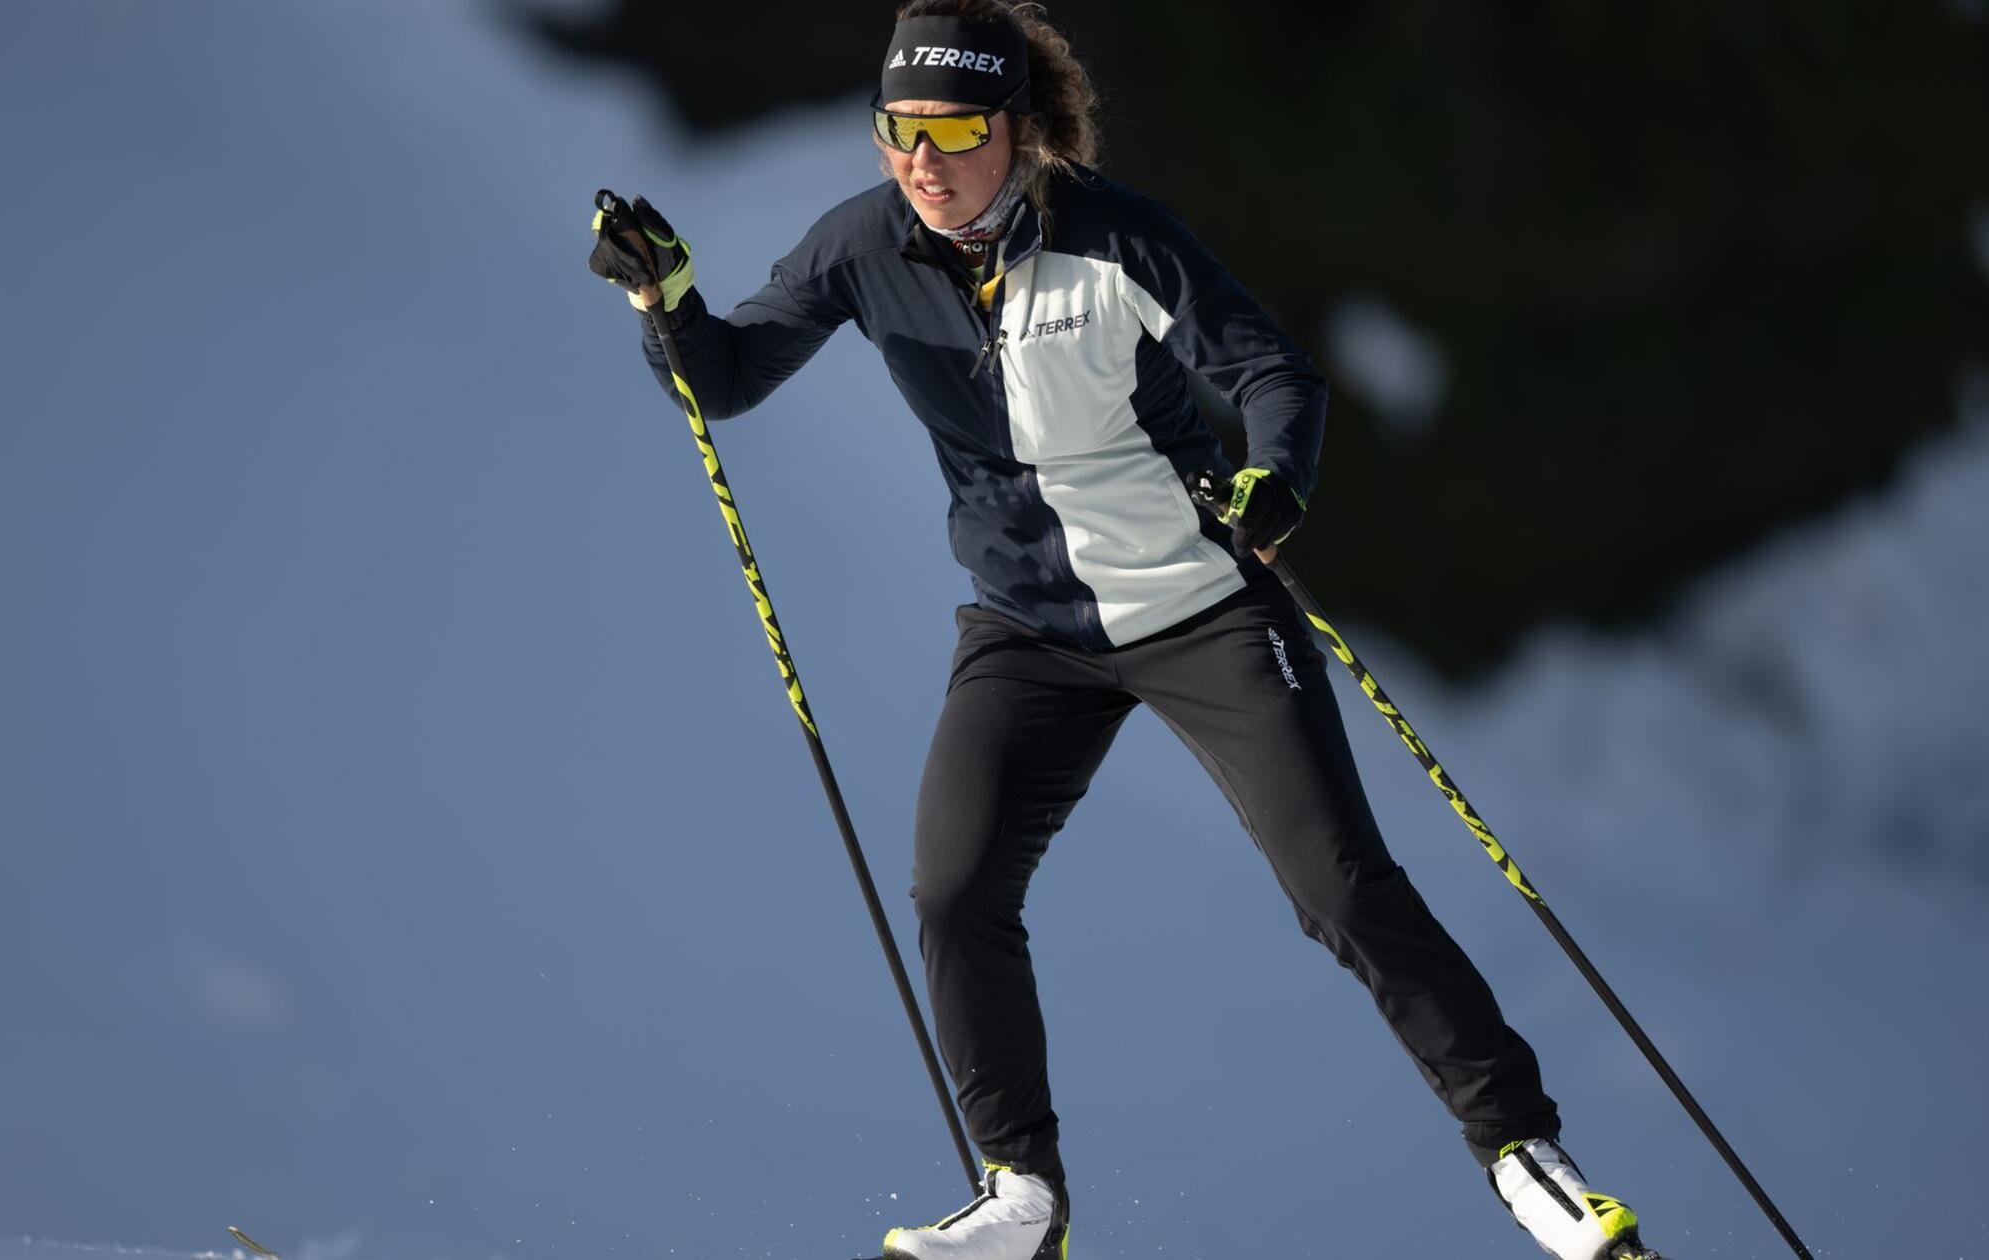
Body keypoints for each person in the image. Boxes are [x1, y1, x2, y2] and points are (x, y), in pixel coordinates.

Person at [590, 4, 1663, 1258]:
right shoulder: (861, 245)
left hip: (1198, 609)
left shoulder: (1113, 235)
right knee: (954, 887)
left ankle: (1524, 1157)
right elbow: (720, 378)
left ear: (1018, 129)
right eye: (897, 130)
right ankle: (1024, 1198)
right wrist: (666, 299)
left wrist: (1275, 484)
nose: (919, 160)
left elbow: (1275, 376)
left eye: (949, 130)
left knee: (1339, 889)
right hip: (1026, 632)